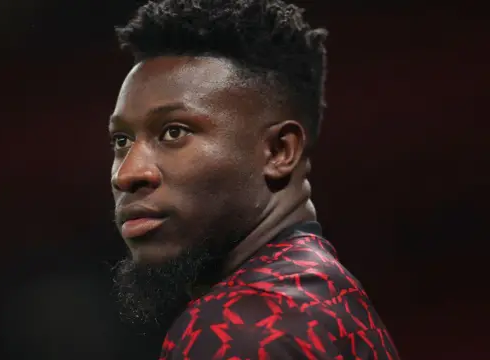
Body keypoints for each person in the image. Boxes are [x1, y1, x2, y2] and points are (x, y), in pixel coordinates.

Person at [110, 0, 400, 358]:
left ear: (280, 151)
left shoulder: (237, 329)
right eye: (121, 141)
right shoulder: (330, 299)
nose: (127, 174)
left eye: (173, 132)